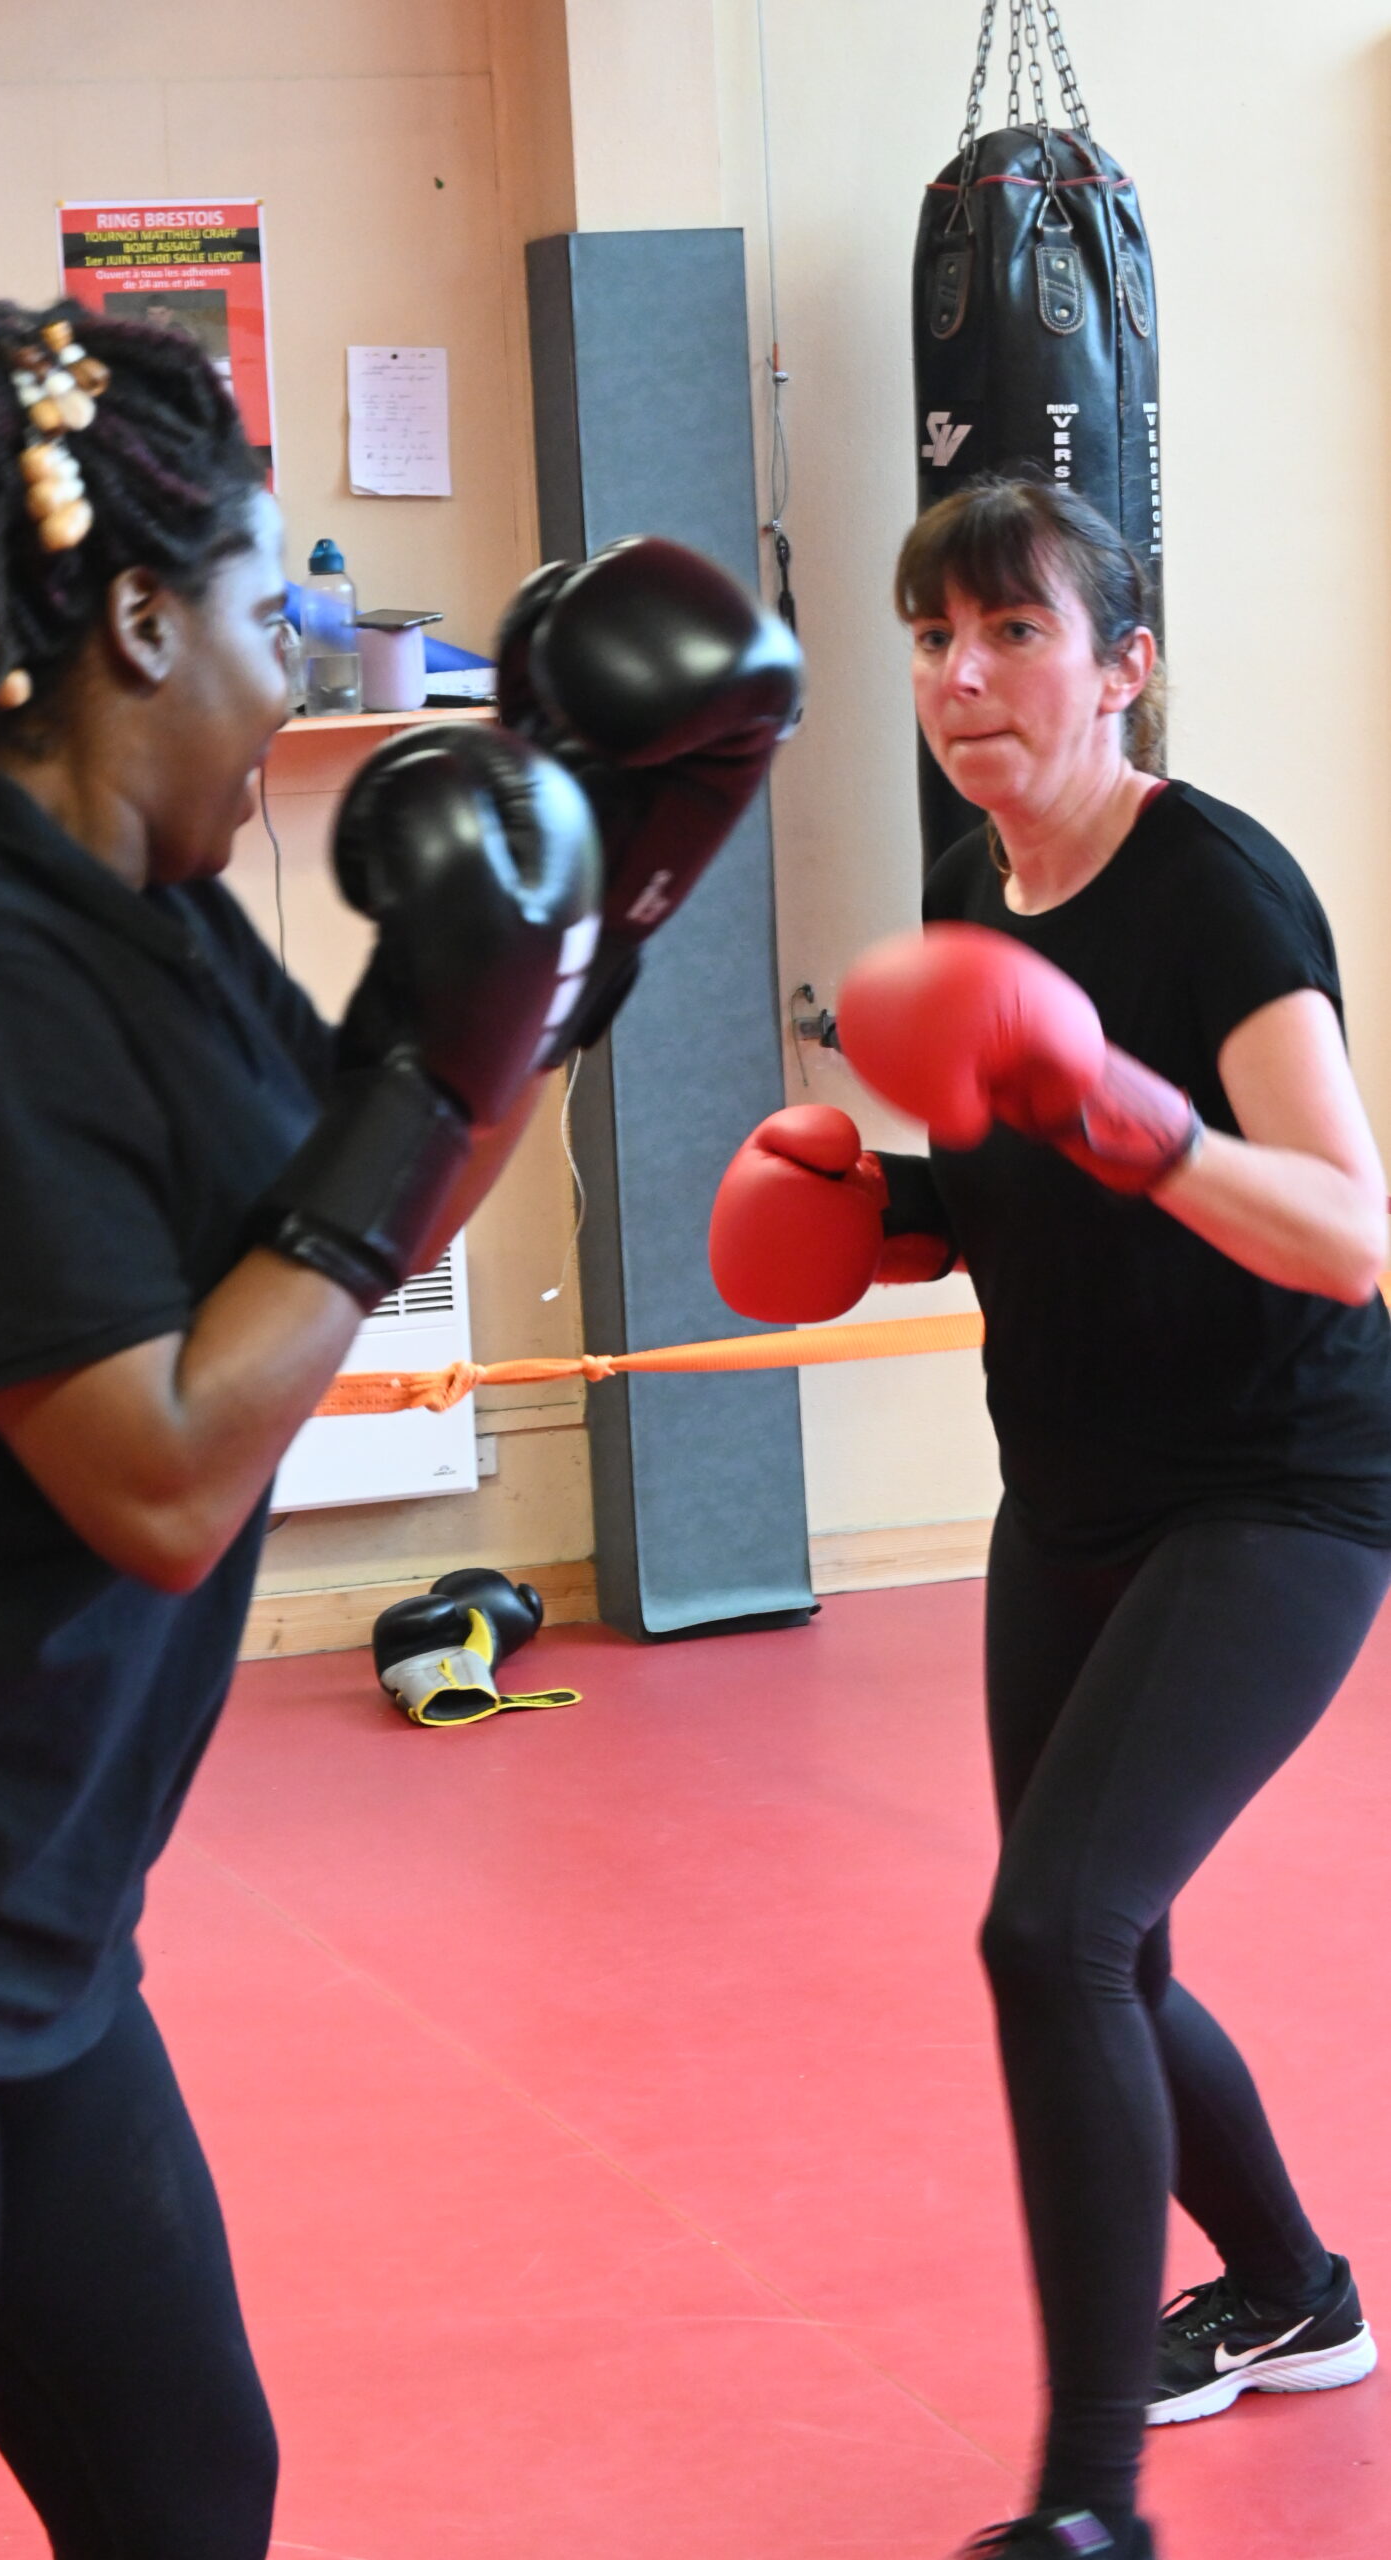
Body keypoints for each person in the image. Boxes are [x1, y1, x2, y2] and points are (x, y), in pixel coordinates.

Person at [0, 249, 799, 2560]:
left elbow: (343, 1200)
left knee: (188, 2482)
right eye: (261, 600)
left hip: (19, 1890)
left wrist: (599, 916)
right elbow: (166, 1472)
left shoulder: (142, 903)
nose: (291, 655)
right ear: (135, 625)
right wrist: (434, 1077)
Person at [709, 475, 1391, 2560]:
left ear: (1122, 666)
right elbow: (1030, 1192)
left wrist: (1139, 1119)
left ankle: (1087, 2504)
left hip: (1276, 1483)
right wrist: (878, 1217)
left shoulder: (1216, 892)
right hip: (1072, 1484)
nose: (963, 677)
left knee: (1051, 1932)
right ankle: (1293, 2291)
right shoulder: (964, 891)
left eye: (1014, 632)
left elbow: (1344, 1230)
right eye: (932, 638)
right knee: (1112, 1948)